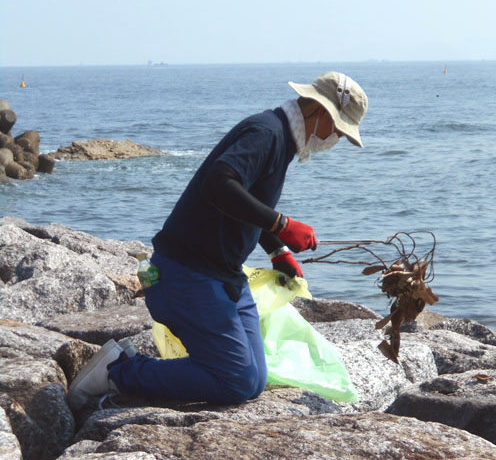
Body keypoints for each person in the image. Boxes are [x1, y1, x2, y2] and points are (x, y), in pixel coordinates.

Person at [67, 72, 368, 410]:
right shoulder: (266, 133)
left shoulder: (283, 139)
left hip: (224, 275)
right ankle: (118, 371)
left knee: (251, 381)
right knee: (235, 379)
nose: (336, 138)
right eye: (339, 129)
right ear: (320, 111)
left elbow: (246, 200)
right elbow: (219, 183)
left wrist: (276, 249)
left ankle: (130, 367)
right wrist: (282, 224)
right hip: (185, 272)